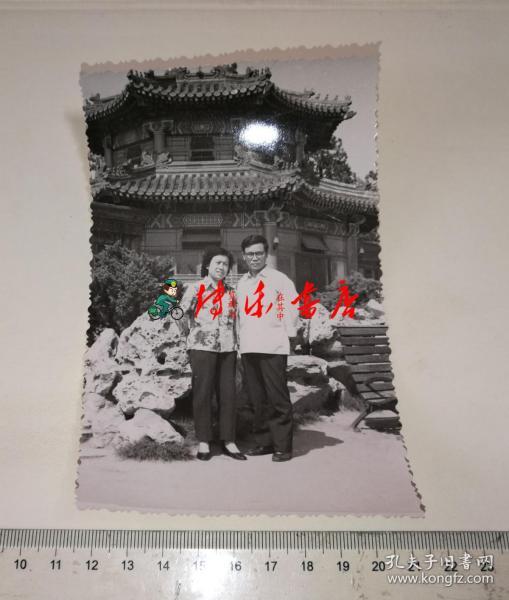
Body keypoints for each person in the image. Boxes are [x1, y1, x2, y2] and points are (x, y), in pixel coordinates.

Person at [179, 247, 246, 462]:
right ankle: (204, 441)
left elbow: (237, 322)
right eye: (218, 263)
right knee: (203, 394)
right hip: (201, 348)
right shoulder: (195, 288)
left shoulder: (232, 292)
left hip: (228, 349)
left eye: (225, 264)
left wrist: (239, 346)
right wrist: (187, 339)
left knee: (228, 394)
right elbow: (180, 315)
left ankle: (229, 441)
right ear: (207, 265)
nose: (221, 267)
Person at [236, 235, 299, 462]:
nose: (254, 258)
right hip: (249, 347)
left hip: (273, 346)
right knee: (257, 399)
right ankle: (264, 442)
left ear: (265, 255)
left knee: (277, 397)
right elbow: (239, 316)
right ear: (244, 256)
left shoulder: (279, 280)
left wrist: (289, 335)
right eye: (250, 254)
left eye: (259, 253)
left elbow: (290, 308)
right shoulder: (242, 283)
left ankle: (283, 446)